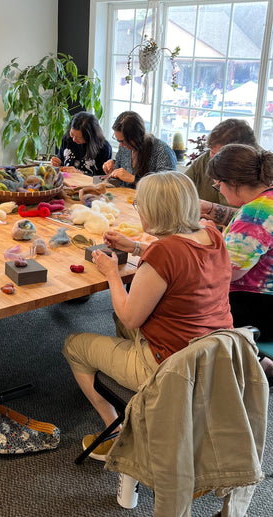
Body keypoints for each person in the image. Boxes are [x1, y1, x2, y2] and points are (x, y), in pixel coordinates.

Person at [63, 171, 233, 460]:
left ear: (153, 210)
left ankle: (114, 431)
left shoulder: (163, 254)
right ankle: (139, 399)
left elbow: (131, 317)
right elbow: (180, 253)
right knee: (119, 322)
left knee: (74, 345)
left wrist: (111, 273)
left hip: (170, 367)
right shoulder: (213, 236)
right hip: (214, 356)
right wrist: (137, 247)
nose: (137, 211)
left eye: (139, 206)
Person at [206, 145, 273, 344]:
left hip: (261, 312)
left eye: (218, 185)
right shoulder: (267, 200)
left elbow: (226, 272)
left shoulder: (256, 213)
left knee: (170, 293)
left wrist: (208, 235)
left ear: (233, 182)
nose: (220, 191)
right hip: (265, 302)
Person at [186, 118, 258, 208]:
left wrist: (211, 209)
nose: (212, 158)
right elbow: (181, 184)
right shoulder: (206, 158)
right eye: (211, 151)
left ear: (241, 154)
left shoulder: (260, 170)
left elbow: (251, 216)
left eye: (218, 155)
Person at [102, 111, 176, 188]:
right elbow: (120, 175)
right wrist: (113, 168)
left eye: (124, 141)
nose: (121, 145)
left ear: (136, 137)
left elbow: (167, 188)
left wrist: (133, 179)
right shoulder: (124, 147)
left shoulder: (162, 151)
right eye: (119, 141)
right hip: (126, 197)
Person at [50, 111, 112, 176]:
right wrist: (57, 162)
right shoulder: (67, 138)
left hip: (89, 185)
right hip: (67, 182)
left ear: (90, 137)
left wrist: (80, 173)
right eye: (72, 134)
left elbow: (103, 179)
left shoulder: (104, 148)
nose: (74, 139)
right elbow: (62, 161)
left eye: (80, 138)